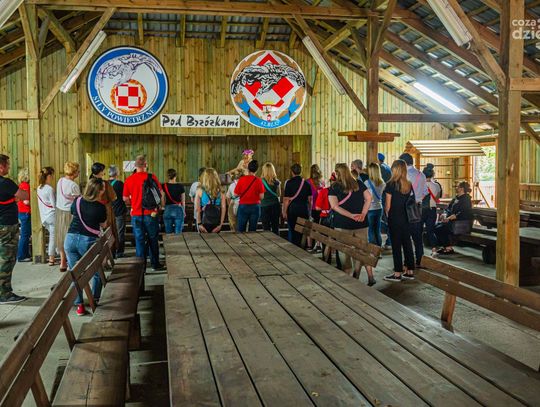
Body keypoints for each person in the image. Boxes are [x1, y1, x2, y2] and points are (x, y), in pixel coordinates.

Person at [64, 178, 108, 316]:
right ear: (100, 191)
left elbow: (73, 213)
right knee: (96, 272)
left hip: (70, 239)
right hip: (87, 240)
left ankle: (80, 306)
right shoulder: (100, 207)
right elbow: (104, 225)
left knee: (75, 274)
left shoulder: (77, 201)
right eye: (103, 188)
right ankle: (94, 299)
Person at [329, 163, 374, 285]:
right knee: (361, 251)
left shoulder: (334, 186)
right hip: (361, 223)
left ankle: (348, 276)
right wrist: (363, 214)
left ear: (337, 173)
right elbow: (369, 198)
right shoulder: (358, 183)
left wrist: (351, 215)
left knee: (344, 252)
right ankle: (356, 275)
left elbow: (334, 206)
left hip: (342, 225)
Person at [123, 155, 166, 271]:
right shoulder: (152, 177)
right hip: (151, 214)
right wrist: (161, 207)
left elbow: (125, 198)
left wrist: (133, 204)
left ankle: (140, 267)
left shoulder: (129, 180)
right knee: (153, 239)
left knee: (139, 240)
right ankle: (155, 264)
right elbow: (161, 193)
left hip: (136, 215)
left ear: (135, 166)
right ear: (146, 165)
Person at [0, 154, 29, 304]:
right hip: (7, 226)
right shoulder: (6, 183)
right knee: (7, 259)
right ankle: (4, 294)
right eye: (7, 165)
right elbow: (24, 195)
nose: (9, 167)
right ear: (1, 167)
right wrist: (15, 197)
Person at [383, 160, 416, 282]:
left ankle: (397, 273)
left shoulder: (390, 184)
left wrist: (387, 216)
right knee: (407, 244)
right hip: (407, 218)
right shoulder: (409, 184)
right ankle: (410, 271)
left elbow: (388, 206)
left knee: (396, 246)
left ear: (395, 170)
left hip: (395, 218)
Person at [399, 153, 427, 267]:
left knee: (406, 237)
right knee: (418, 237)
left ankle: (408, 262)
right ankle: (420, 260)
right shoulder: (421, 174)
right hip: (418, 208)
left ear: (404, 163)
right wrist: (417, 199)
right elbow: (425, 192)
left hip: (405, 209)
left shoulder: (403, 175)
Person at [434, 181, 473, 256]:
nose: (456, 188)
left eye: (457, 186)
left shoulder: (466, 199)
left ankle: (448, 248)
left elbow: (462, 212)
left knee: (440, 228)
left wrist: (449, 218)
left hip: (462, 224)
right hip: (453, 222)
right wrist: (444, 214)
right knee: (436, 226)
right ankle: (446, 247)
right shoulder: (456, 198)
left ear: (461, 189)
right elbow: (448, 208)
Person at [56, 161, 81, 272]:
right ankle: (72, 262)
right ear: (74, 172)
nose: (79, 173)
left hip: (59, 212)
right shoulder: (73, 185)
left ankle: (62, 262)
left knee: (61, 237)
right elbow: (78, 201)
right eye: (78, 171)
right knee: (70, 238)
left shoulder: (60, 181)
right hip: (69, 213)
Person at [90, 162, 118, 253]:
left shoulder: (90, 183)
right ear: (100, 171)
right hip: (106, 209)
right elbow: (113, 197)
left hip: (91, 210)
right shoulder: (105, 183)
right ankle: (111, 251)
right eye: (103, 170)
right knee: (108, 231)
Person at [283, 163, 312, 246]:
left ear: (292, 172)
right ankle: (302, 246)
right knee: (303, 231)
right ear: (300, 171)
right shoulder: (306, 184)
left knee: (293, 230)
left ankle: (294, 246)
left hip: (292, 209)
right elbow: (310, 200)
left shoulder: (289, 183)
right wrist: (309, 211)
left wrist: (284, 212)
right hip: (304, 209)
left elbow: (286, 200)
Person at [235, 160, 265, 232]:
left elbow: (235, 194)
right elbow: (262, 197)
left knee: (241, 230)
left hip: (243, 206)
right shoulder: (259, 181)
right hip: (255, 207)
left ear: (248, 169)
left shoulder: (242, 179)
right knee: (252, 230)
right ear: (256, 170)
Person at [195, 168, 226, 233]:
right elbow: (223, 208)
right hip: (216, 222)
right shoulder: (221, 191)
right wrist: (220, 225)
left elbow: (197, 209)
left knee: (203, 239)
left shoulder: (199, 190)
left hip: (204, 222)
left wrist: (199, 224)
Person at [37, 167, 57, 266]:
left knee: (53, 236)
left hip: (44, 217)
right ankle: (51, 258)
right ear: (48, 176)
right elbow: (54, 204)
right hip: (52, 216)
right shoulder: (50, 189)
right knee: (53, 237)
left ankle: (55, 254)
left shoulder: (39, 188)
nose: (53, 177)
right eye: (52, 175)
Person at [422, 165, 442, 256]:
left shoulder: (421, 185)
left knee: (418, 229)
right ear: (432, 174)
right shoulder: (437, 185)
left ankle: (419, 250)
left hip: (422, 209)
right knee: (431, 231)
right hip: (432, 209)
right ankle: (434, 250)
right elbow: (437, 199)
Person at [364, 163, 386, 247]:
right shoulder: (382, 183)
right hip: (379, 207)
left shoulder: (367, 183)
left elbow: (366, 197)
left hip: (370, 208)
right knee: (377, 229)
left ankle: (373, 250)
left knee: (371, 230)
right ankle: (378, 248)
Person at [109, 165, 127, 258]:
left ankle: (111, 252)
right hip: (119, 210)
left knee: (110, 232)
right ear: (117, 173)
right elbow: (125, 197)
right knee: (120, 232)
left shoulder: (105, 184)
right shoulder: (120, 184)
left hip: (109, 213)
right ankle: (119, 252)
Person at [307, 164, 325, 251]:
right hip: (321, 208)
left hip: (312, 208)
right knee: (319, 226)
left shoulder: (308, 182)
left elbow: (309, 198)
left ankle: (310, 245)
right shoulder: (322, 182)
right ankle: (318, 244)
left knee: (311, 227)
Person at [260, 162, 281, 235]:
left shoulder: (260, 181)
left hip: (264, 206)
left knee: (266, 228)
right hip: (275, 205)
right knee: (275, 227)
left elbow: (260, 195)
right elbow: (279, 194)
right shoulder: (277, 182)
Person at [163, 168, 186, 234]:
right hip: (178, 209)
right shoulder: (180, 186)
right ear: (175, 176)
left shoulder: (164, 186)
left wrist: (163, 207)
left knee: (168, 233)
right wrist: (184, 211)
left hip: (168, 209)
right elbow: (183, 201)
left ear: (168, 176)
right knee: (178, 233)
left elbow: (162, 199)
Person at [16, 168, 32, 262]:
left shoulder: (21, 185)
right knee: (25, 235)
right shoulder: (26, 186)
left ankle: (25, 254)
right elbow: (26, 201)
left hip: (21, 212)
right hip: (25, 212)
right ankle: (21, 256)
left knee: (25, 234)